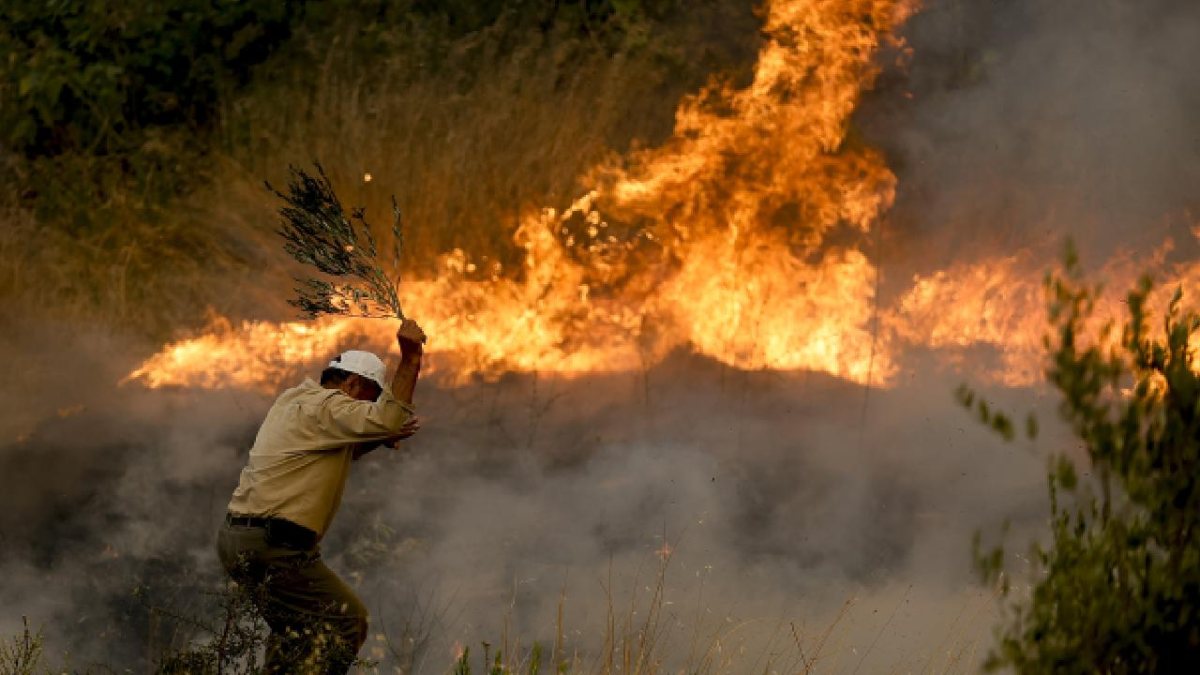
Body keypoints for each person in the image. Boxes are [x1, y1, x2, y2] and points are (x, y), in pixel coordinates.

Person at [216, 319, 426, 673]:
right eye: (370, 400)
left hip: (239, 539)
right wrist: (411, 359)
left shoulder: (295, 400)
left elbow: (340, 449)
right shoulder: (331, 405)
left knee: (296, 632)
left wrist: (374, 438)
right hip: (275, 545)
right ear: (352, 384)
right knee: (347, 621)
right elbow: (388, 419)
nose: (366, 410)